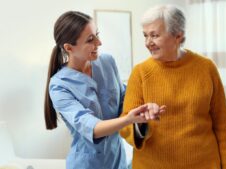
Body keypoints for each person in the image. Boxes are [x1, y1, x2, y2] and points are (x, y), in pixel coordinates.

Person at [44, 11, 164, 169]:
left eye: (97, 34)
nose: (99, 43)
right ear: (69, 48)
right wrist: (129, 119)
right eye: (90, 40)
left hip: (119, 161)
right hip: (87, 164)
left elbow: (124, 99)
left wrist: (143, 108)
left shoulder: (107, 62)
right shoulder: (59, 85)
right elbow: (92, 128)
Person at [120, 4, 226, 169]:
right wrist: (141, 122)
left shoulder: (206, 68)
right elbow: (125, 126)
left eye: (154, 35)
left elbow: (222, 124)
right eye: (145, 36)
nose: (148, 42)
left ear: (178, 36)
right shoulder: (140, 72)